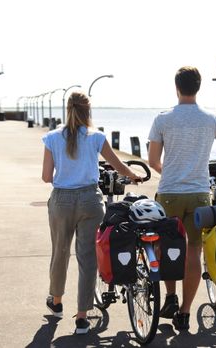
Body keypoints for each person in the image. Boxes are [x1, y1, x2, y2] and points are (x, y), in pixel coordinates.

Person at [148, 66, 216, 330]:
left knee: (168, 246)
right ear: (198, 87)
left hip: (169, 193)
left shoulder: (162, 119)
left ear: (177, 87)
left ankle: (170, 296)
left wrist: (169, 172)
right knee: (193, 251)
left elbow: (152, 161)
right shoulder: (211, 119)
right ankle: (184, 312)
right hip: (198, 195)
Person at [41, 91, 142, 334]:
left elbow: (46, 177)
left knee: (60, 252)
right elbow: (118, 165)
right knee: (87, 258)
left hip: (61, 201)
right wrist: (134, 176)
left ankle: (56, 303)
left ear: (68, 109)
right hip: (90, 201)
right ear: (89, 111)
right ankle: (83, 317)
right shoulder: (96, 137)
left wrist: (65, 174)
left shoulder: (52, 138)